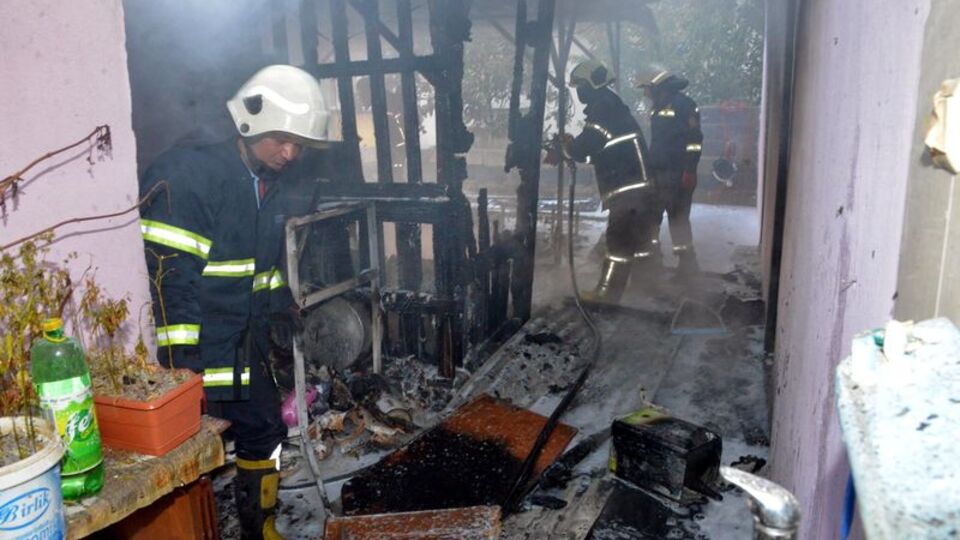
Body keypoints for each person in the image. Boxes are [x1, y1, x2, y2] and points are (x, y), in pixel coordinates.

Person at [139, 65, 331, 539]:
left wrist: (282, 304)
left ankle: (258, 530)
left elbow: (257, 268)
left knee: (265, 431)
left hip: (246, 344)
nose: (290, 153)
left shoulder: (266, 180)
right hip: (201, 348)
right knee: (189, 459)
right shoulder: (188, 175)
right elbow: (169, 280)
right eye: (280, 139)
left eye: (299, 143)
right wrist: (183, 367)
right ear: (248, 123)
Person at [547, 60, 659, 303]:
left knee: (618, 244)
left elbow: (586, 148)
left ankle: (608, 295)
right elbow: (595, 150)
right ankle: (647, 289)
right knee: (640, 244)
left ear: (591, 85)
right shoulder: (612, 107)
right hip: (639, 189)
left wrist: (566, 147)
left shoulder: (602, 109)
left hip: (627, 190)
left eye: (580, 86)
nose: (577, 91)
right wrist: (571, 147)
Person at [637, 66, 704, 276]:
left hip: (678, 173)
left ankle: (688, 269)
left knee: (678, 219)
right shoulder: (659, 107)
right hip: (658, 172)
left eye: (647, 88)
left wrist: (690, 170)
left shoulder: (684, 105)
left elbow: (695, 141)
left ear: (658, 87)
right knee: (651, 217)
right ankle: (652, 263)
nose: (645, 93)